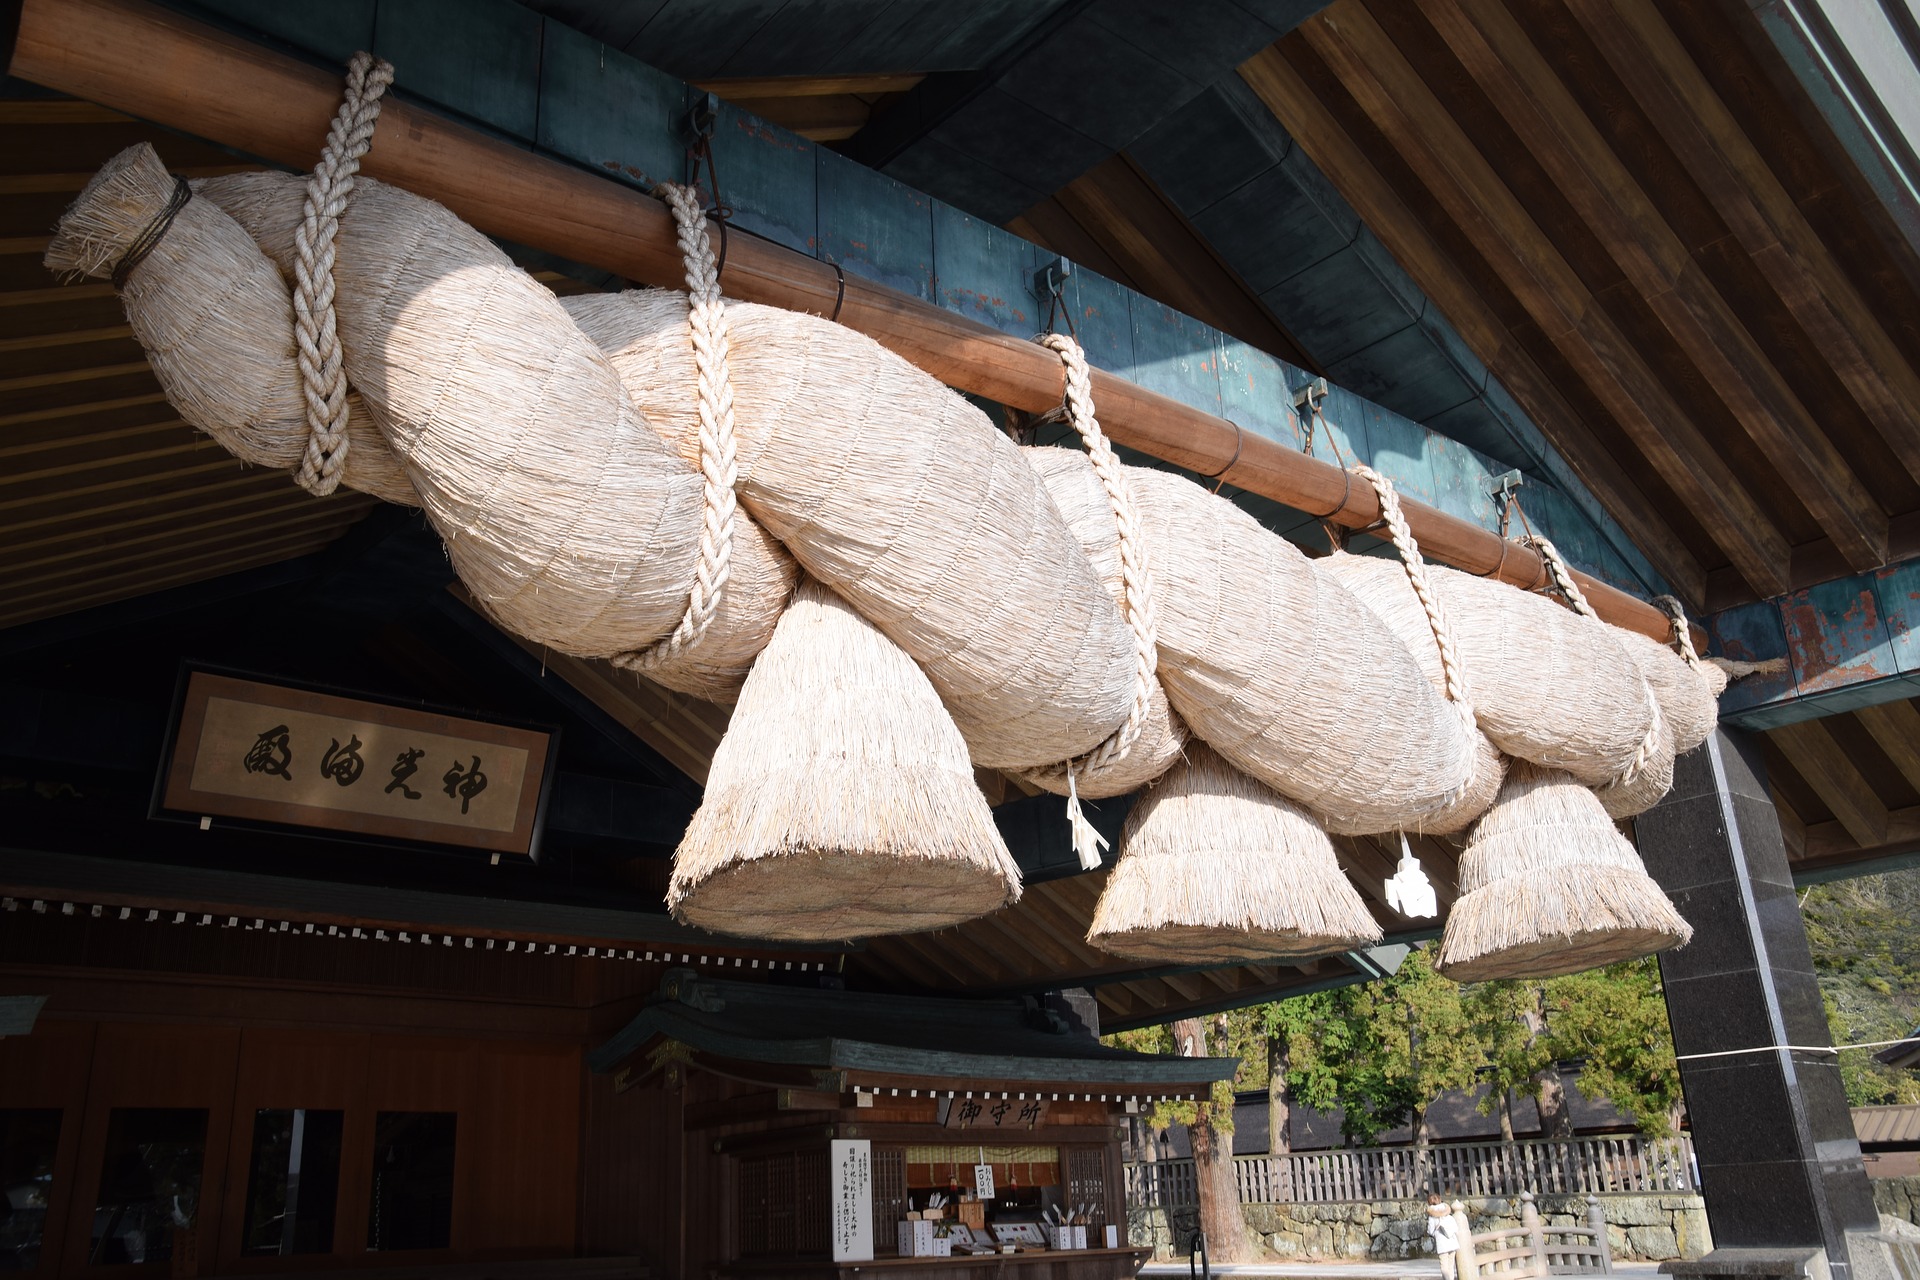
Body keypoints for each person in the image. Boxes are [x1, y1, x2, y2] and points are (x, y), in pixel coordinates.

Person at [1426, 1192, 1460, 1279]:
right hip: (1452, 1242)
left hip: (1442, 1244)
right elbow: (1455, 1228)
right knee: (1451, 1264)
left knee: (1444, 1265)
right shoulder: (1447, 1211)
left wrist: (1434, 1233)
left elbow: (1430, 1230)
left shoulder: (1432, 1215)